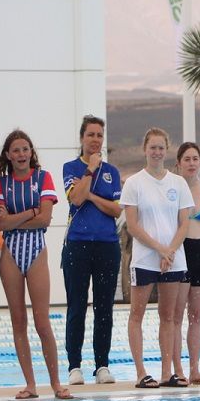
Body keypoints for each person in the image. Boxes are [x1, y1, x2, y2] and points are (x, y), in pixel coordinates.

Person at [0, 129, 70, 400]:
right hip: (11, 252)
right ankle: (30, 384)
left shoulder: (42, 177)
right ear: (8, 155)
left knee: (42, 321)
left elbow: (46, 220)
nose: (21, 154)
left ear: (31, 152)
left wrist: (19, 217)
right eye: (15, 150)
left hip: (35, 249)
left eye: (25, 149)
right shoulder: (1, 183)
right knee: (19, 321)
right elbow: (1, 224)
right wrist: (31, 212)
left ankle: (56, 383)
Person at [123, 128, 194, 388]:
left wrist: (170, 251)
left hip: (173, 259)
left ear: (167, 150)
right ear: (145, 149)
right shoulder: (134, 183)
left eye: (160, 147)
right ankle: (141, 372)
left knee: (169, 316)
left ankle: (166, 372)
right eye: (152, 147)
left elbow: (184, 223)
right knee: (137, 315)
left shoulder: (178, 183)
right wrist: (160, 249)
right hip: (145, 259)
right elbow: (132, 225)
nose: (156, 152)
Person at [62, 115, 123, 386]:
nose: (95, 139)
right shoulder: (71, 167)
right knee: (77, 306)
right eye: (91, 135)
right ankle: (74, 365)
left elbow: (116, 209)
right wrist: (89, 172)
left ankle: (102, 364)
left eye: (99, 135)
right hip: (78, 244)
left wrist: (91, 196)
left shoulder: (113, 172)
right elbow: (75, 198)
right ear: (81, 138)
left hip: (107, 245)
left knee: (104, 308)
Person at [175, 142, 200, 385]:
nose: (191, 163)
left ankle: (194, 370)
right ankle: (177, 369)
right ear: (178, 164)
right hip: (180, 252)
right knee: (176, 316)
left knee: (196, 315)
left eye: (195, 159)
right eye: (186, 159)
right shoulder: (173, 188)